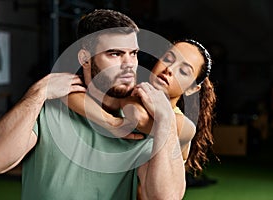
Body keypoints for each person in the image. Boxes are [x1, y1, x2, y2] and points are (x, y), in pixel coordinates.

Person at [0, 9, 185, 200]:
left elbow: (164, 197)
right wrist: (37, 94)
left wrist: (165, 119)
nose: (130, 64)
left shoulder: (139, 121)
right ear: (85, 59)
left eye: (133, 53)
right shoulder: (50, 108)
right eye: (115, 54)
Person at [64, 38, 217, 191]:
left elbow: (138, 117)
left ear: (191, 89)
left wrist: (127, 96)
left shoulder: (183, 125)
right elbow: (68, 93)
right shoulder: (132, 94)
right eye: (168, 59)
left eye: (183, 71)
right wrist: (110, 121)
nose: (169, 69)